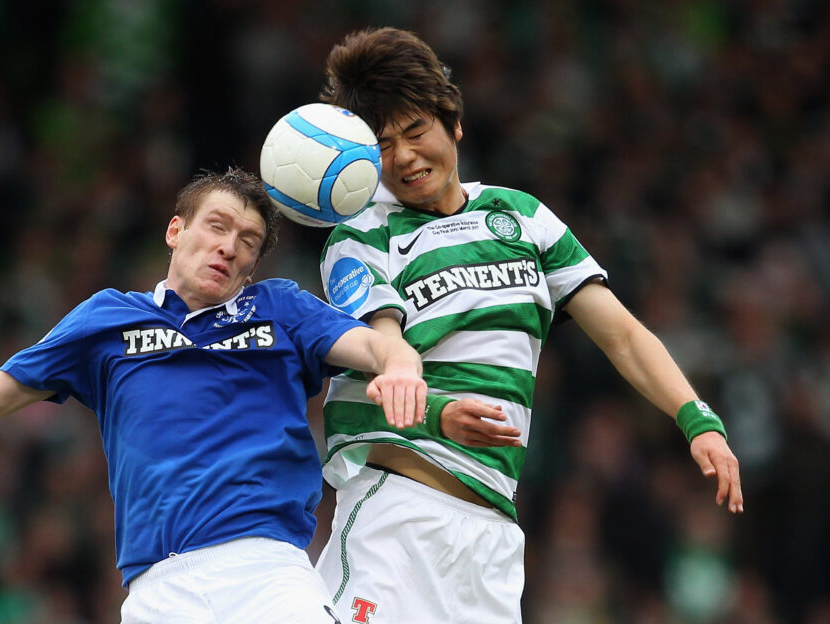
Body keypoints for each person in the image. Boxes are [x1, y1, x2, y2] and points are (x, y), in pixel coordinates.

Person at [0, 167, 428, 624]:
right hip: (158, 588)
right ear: (176, 231)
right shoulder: (106, 319)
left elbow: (374, 346)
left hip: (265, 570)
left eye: (247, 241)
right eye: (217, 226)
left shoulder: (281, 307)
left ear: (252, 265)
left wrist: (401, 365)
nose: (229, 246)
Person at [312, 27, 744, 623]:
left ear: (454, 124)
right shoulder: (360, 236)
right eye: (383, 145)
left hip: (492, 532)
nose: (405, 157)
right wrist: (437, 411)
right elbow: (382, 348)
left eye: (415, 132)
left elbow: (622, 335)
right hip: (399, 512)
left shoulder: (522, 217)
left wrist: (696, 420)